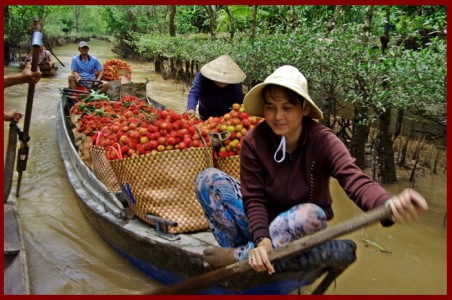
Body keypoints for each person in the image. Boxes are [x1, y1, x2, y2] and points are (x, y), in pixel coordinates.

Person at [194, 65, 428, 275]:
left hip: (298, 228)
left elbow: (355, 179)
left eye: (287, 108)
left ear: (304, 108)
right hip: (261, 224)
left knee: (311, 214)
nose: (278, 116)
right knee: (208, 179)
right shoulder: (254, 141)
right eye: (271, 107)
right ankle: (246, 251)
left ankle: (237, 258)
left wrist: (387, 204)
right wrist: (263, 241)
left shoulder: (323, 141)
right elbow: (253, 198)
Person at [186, 54, 246, 120]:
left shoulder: (235, 81)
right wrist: (191, 108)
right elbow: (194, 93)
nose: (222, 82)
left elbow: (237, 103)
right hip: (205, 113)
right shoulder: (203, 75)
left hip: (226, 117)